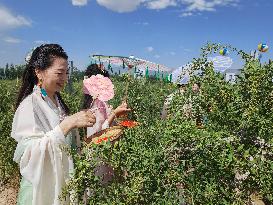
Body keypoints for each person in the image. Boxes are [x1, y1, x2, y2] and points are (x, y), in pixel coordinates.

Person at [12, 44, 96, 205]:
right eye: (59, 73)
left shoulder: (57, 101)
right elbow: (29, 154)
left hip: (62, 182)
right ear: (39, 72)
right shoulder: (29, 106)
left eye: (66, 73)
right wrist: (68, 124)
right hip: (41, 191)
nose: (65, 79)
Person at [82, 64, 131, 138]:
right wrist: (114, 113)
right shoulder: (96, 104)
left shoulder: (97, 100)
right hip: (99, 145)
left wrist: (117, 113)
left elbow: (105, 121)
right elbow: (98, 132)